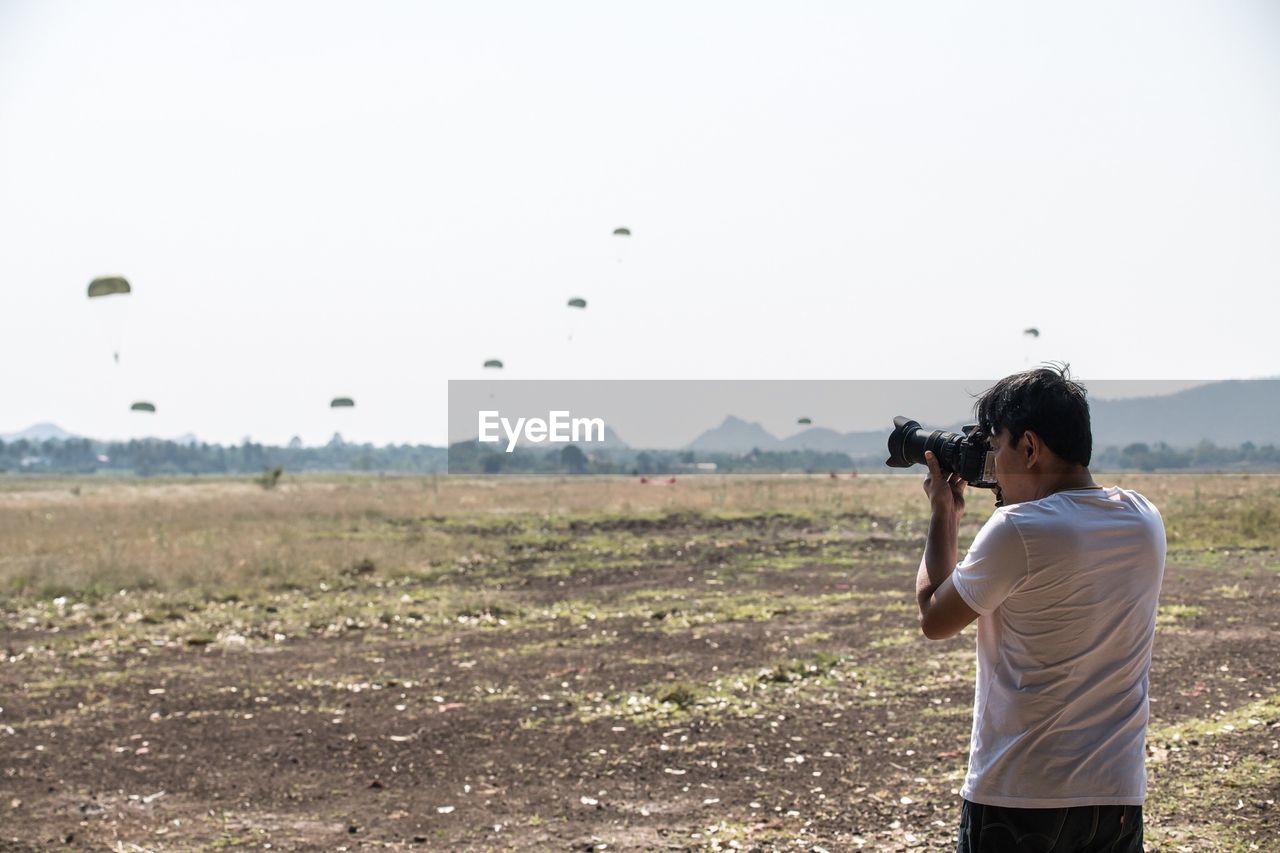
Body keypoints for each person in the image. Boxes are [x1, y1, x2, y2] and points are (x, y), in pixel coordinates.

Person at [913, 366, 1166, 852]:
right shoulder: (1142, 517)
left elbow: (934, 617)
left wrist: (944, 514)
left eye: (995, 447)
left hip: (1021, 793)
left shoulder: (1020, 528)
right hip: (1116, 796)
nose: (990, 463)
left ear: (1030, 448)